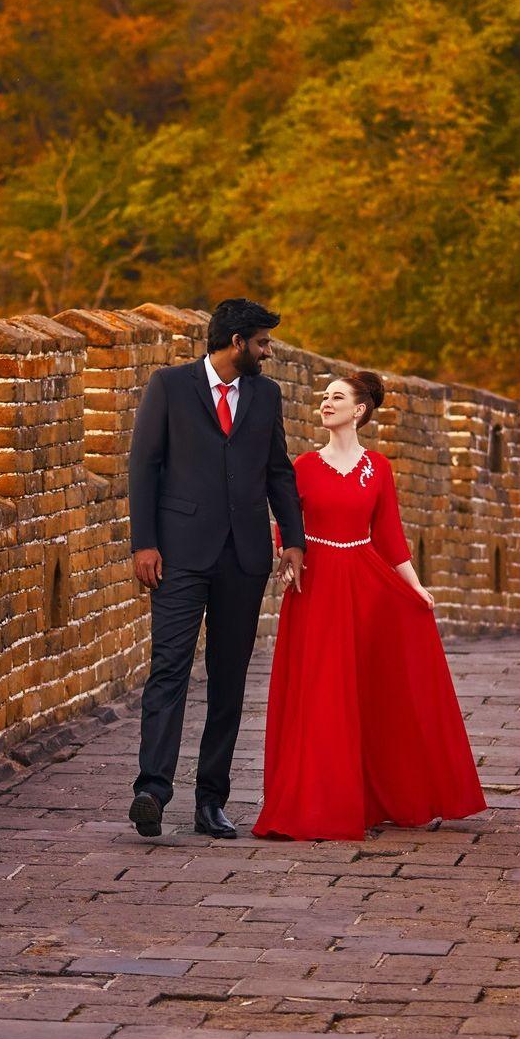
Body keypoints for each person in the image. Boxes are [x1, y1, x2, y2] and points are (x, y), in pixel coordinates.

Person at [253, 368, 486, 841]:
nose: (325, 403)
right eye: (323, 397)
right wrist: (286, 556)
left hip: (364, 586)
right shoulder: (303, 466)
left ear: (359, 410)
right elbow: (285, 525)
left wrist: (415, 588)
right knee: (319, 694)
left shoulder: (378, 468)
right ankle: (315, 803)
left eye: (336, 397)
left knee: (365, 693)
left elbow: (390, 537)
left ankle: (374, 797)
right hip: (315, 589)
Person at [126, 298, 306, 838]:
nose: (267, 353)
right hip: (178, 554)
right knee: (170, 670)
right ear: (236, 343)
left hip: (244, 558)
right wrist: (145, 544)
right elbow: (144, 465)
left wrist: (293, 539)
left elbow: (278, 470)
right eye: (262, 343)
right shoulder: (170, 386)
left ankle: (211, 801)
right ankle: (152, 791)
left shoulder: (265, 395)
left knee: (229, 681)